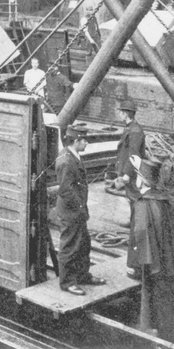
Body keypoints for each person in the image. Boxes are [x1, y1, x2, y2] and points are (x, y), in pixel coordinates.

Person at [127, 155, 174, 343]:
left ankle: (163, 341)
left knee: (156, 302)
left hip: (155, 265)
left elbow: (141, 234)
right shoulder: (164, 198)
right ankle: (166, 338)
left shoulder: (144, 204)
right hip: (170, 261)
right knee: (165, 301)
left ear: (142, 179)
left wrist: (137, 267)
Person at [55, 124, 105, 296]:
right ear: (76, 141)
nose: (87, 143)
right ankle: (67, 282)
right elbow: (65, 190)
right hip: (71, 212)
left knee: (83, 244)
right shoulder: (66, 161)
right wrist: (81, 206)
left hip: (78, 212)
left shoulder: (73, 156)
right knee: (69, 247)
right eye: (84, 140)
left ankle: (82, 275)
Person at [112, 100, 146, 223]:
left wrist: (126, 175)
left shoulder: (135, 131)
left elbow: (134, 154)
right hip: (130, 171)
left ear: (125, 114)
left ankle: (137, 227)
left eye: (120, 112)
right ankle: (134, 223)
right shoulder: (130, 128)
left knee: (135, 198)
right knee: (131, 198)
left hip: (133, 173)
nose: (119, 114)